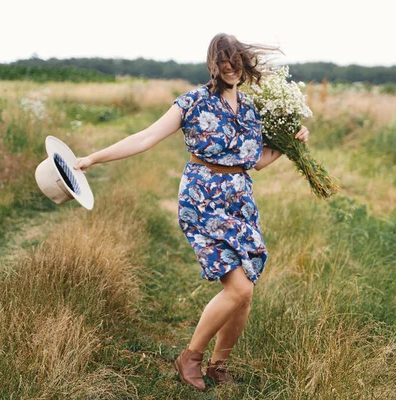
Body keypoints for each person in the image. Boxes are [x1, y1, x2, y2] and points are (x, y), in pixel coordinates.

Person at [74, 33, 309, 391]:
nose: (230, 68)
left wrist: (291, 145)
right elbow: (145, 138)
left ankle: (218, 365)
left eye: (235, 61)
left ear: (244, 64)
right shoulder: (193, 102)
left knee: (245, 290)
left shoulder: (250, 109)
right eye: (223, 62)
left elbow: (257, 161)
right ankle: (191, 357)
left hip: (240, 201)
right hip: (203, 202)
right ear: (214, 65)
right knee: (239, 290)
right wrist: (92, 158)